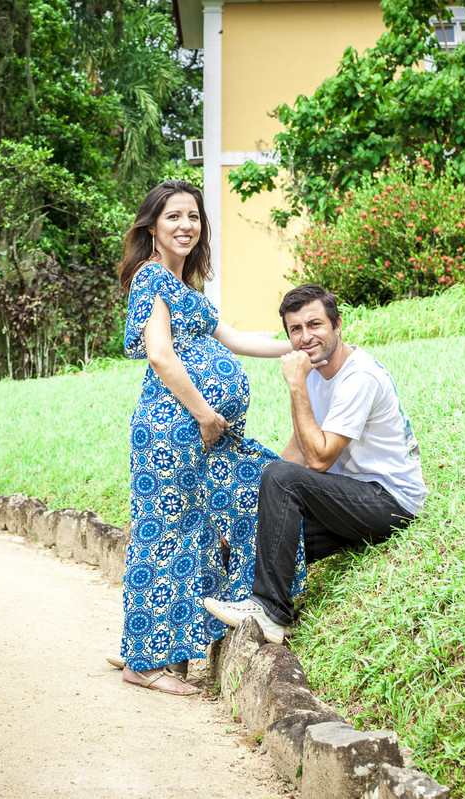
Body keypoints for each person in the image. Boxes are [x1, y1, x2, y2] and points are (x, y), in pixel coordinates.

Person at [116, 180, 301, 696]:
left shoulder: (187, 292)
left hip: (204, 434)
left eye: (193, 217)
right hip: (174, 429)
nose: (185, 226)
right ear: (152, 226)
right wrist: (204, 413)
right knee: (165, 535)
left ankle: (200, 632)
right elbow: (160, 356)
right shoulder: (150, 278)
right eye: (173, 216)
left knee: (250, 496)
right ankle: (144, 662)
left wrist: (299, 344)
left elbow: (236, 338)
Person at [205, 284, 427, 644]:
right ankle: (189, 640)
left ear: (337, 325)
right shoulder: (318, 373)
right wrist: (259, 499)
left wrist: (296, 386)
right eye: (296, 329)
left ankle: (271, 613)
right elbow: (298, 447)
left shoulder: (359, 377)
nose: (306, 337)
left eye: (315, 324)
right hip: (348, 501)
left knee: (281, 479)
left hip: (389, 501)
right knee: (252, 536)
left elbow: (319, 459)